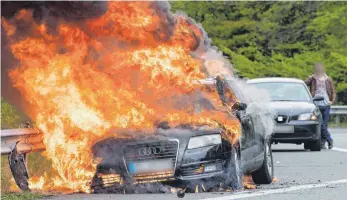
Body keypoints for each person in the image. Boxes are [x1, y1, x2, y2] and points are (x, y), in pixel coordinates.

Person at [305, 63, 336, 149]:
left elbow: (333, 91)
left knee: (323, 125)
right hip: (316, 104)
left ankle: (323, 143)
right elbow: (304, 84)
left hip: (326, 104)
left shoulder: (328, 79)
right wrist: (310, 77)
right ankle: (329, 140)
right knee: (320, 124)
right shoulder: (313, 79)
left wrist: (332, 101)